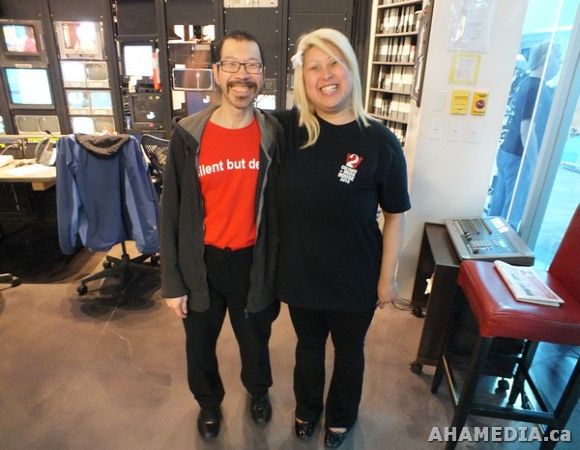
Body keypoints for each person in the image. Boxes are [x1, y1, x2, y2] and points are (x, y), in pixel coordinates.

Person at [273, 28, 411, 448]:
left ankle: (341, 417)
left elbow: (396, 215)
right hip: (301, 271)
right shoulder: (287, 129)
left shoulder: (380, 140)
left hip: (356, 276)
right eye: (314, 67)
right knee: (308, 348)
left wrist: (387, 279)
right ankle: (307, 409)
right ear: (303, 78)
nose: (326, 75)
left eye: (334, 62)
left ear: (351, 68)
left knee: (350, 352)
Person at [160, 30, 282, 439]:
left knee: (256, 342)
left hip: (253, 264)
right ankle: (209, 404)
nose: (241, 75)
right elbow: (170, 212)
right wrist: (172, 282)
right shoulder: (188, 135)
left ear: (262, 74)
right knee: (199, 346)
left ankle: (258, 392)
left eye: (251, 65)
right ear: (216, 71)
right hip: (202, 264)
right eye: (232, 64)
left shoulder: (274, 134)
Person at [489, 41, 562, 228]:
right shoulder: (536, 88)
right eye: (558, 58)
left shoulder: (526, 83)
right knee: (510, 218)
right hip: (518, 158)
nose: (560, 64)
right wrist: (536, 164)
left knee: (496, 213)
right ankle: (502, 247)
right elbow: (527, 130)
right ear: (546, 58)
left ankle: (488, 245)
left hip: (507, 153)